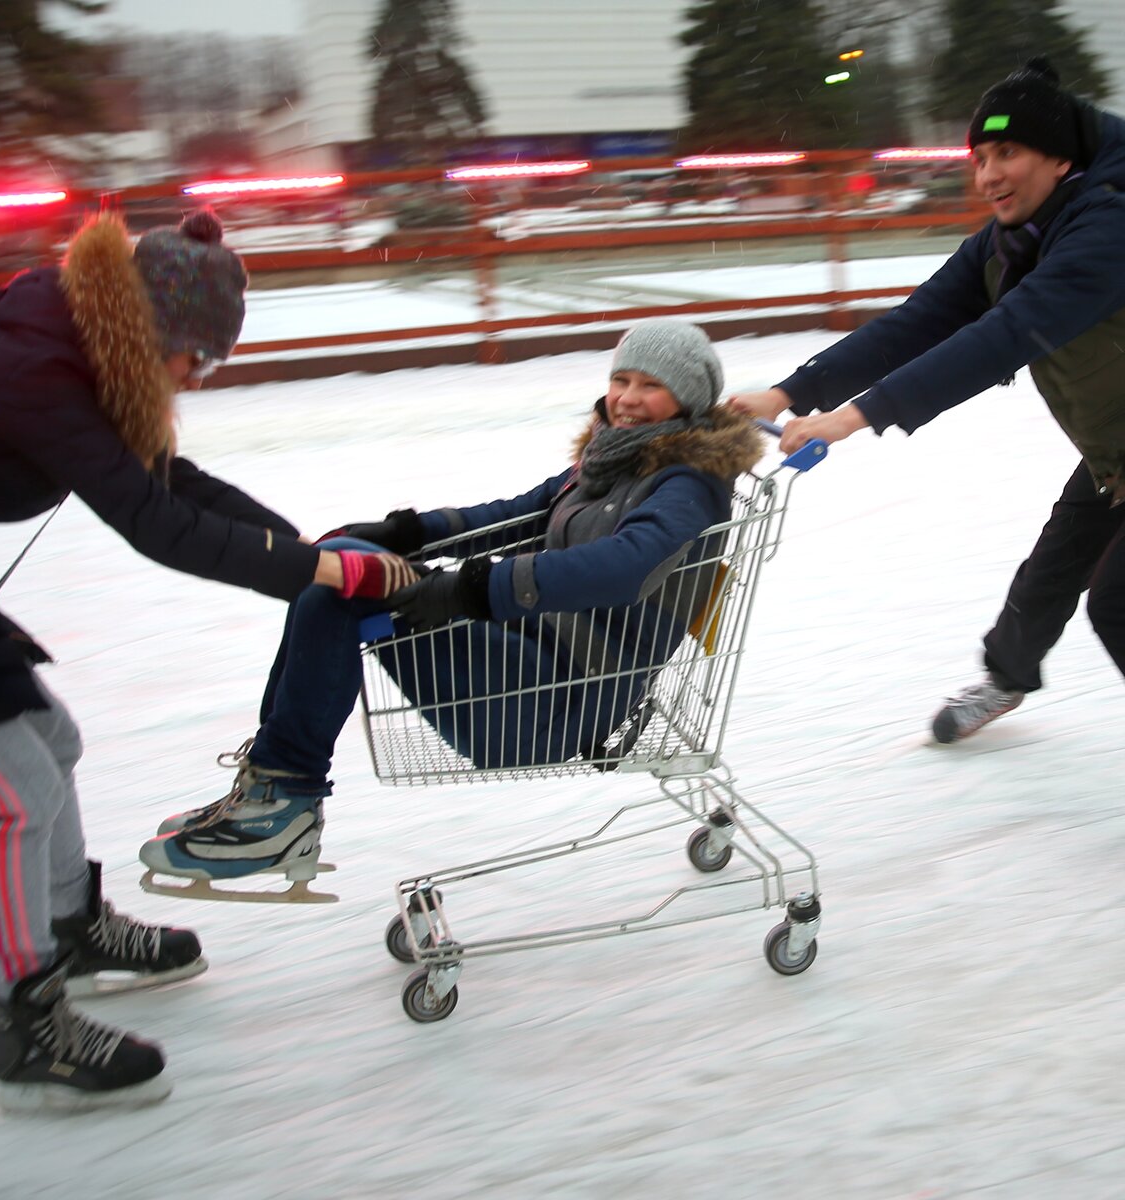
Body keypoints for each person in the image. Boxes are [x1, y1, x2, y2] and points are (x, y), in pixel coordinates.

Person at [0, 208, 412, 1112]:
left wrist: (302, 550)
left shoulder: (74, 359)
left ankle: (68, 930)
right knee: (11, 792)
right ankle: (28, 1027)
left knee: (48, 738)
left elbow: (169, 482)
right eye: (201, 357)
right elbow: (159, 527)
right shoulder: (41, 373)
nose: (199, 378)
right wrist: (315, 570)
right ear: (154, 330)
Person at [139, 319, 764, 888]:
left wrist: (465, 590)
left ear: (687, 400)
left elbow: (626, 568)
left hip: (559, 699)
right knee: (348, 567)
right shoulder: (606, 464)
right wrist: (408, 531)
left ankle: (281, 803)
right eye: (620, 378)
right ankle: (273, 786)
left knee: (344, 586)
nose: (627, 397)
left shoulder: (688, 484)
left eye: (650, 386)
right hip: (531, 668)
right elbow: (511, 516)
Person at [729, 55, 1125, 744]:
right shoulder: (1006, 245)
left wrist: (856, 416)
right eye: (980, 156)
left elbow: (1005, 335)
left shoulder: (1108, 230)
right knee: (1054, 568)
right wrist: (789, 391)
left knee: (1118, 601)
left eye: (1009, 152)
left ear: (1060, 160)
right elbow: (916, 323)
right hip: (1114, 449)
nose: (989, 174)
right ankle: (1006, 677)